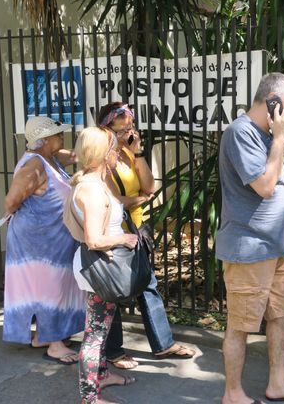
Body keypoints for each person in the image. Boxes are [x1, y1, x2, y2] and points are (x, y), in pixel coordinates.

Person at [217, 72, 284, 404]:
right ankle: (233, 394)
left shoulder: (265, 134)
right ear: (272, 100)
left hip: (273, 248)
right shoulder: (241, 133)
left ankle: (277, 383)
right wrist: (280, 139)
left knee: (281, 315)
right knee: (240, 324)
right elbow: (263, 186)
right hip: (249, 248)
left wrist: (276, 138)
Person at [96, 102, 196, 370]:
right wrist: (139, 198)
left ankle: (163, 344)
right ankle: (113, 351)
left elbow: (150, 185)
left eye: (131, 128)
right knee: (115, 292)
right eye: (122, 130)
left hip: (138, 230)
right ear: (105, 130)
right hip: (115, 234)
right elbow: (113, 202)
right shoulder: (100, 160)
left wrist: (137, 151)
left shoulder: (128, 154)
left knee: (147, 284)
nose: (128, 133)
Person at [64, 127, 139, 404]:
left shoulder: (93, 183)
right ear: (101, 153)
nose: (117, 150)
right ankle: (90, 397)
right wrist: (126, 238)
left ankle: (102, 375)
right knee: (95, 333)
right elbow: (94, 239)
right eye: (112, 147)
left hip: (102, 266)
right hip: (99, 266)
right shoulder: (91, 191)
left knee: (102, 327)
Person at [2, 116, 84, 364]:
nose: (62, 137)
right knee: (50, 288)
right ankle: (55, 345)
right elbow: (11, 201)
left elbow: (75, 156)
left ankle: (45, 336)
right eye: (58, 135)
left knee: (54, 287)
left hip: (51, 240)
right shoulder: (34, 166)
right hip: (37, 242)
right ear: (45, 140)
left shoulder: (49, 159)